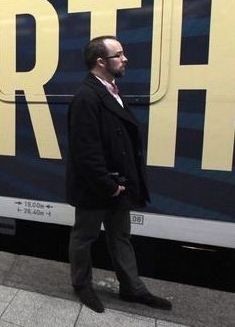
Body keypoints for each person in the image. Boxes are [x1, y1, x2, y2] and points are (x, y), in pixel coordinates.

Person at [66, 36, 172, 313]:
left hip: (117, 184)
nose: (125, 59)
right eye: (119, 55)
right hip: (97, 186)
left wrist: (119, 184)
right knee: (84, 237)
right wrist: (108, 186)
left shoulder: (110, 90)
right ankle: (82, 285)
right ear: (101, 61)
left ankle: (132, 289)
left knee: (120, 236)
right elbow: (85, 152)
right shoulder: (86, 97)